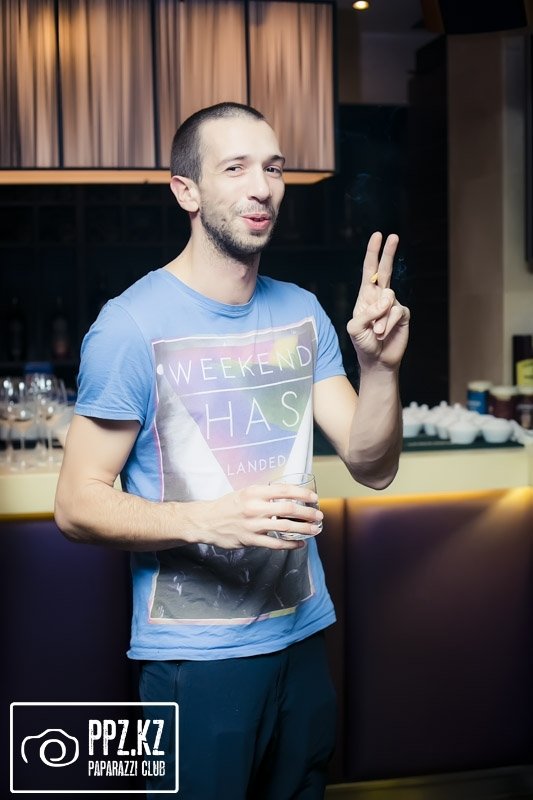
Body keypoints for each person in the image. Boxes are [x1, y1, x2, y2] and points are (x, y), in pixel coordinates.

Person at [54, 101, 410, 799]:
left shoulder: (302, 310)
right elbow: (75, 505)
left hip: (302, 637)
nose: (262, 187)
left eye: (273, 168)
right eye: (236, 168)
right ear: (185, 191)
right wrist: (208, 519)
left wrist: (379, 369)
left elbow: (373, 466)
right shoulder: (129, 326)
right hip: (195, 659)